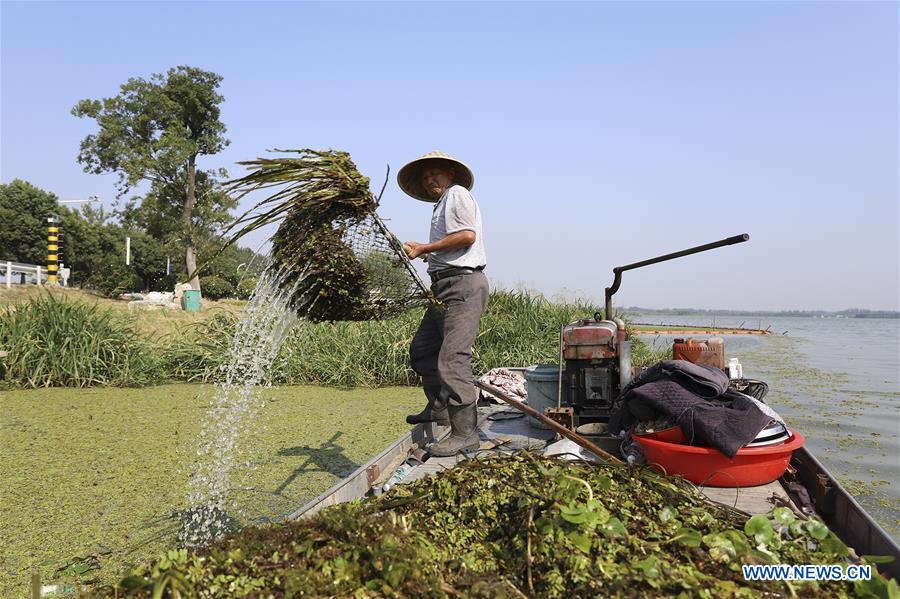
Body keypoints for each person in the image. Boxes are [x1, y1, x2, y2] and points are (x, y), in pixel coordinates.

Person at [397, 150, 488, 457]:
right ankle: (438, 410)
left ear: (450, 174)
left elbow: (466, 236)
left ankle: (465, 433)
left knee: (453, 358)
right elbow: (450, 246)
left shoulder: (457, 194)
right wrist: (428, 254)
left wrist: (425, 246)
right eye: (424, 177)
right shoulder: (440, 205)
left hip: (463, 285)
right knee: (423, 348)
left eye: (434, 173)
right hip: (443, 286)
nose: (429, 180)